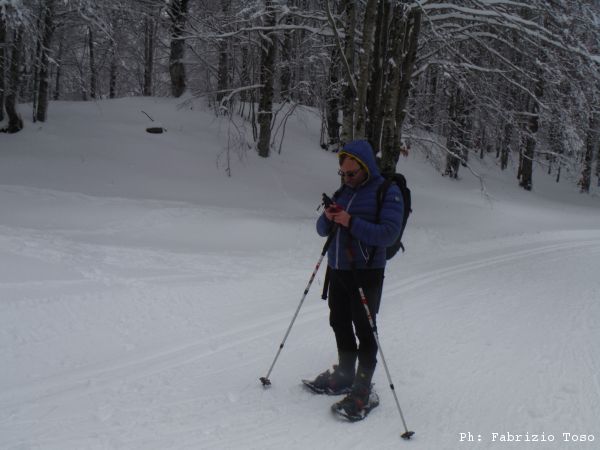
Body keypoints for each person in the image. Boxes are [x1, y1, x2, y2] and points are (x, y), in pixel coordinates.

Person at [310, 139, 404, 419]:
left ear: (366, 167)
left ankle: (363, 388)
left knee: (365, 328)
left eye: (352, 173)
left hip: (366, 271)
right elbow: (321, 230)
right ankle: (345, 373)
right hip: (338, 268)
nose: (347, 178)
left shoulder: (387, 191)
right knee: (338, 321)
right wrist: (329, 217)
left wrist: (350, 221)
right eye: (343, 173)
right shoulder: (343, 192)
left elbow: (388, 233)